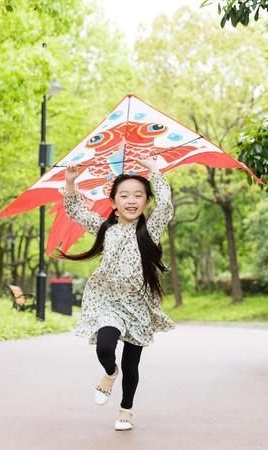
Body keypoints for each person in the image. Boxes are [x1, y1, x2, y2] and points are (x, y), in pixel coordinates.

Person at [58, 156, 175, 431]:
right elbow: (76, 211)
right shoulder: (105, 229)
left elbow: (166, 206)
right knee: (105, 347)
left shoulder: (150, 230)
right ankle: (110, 373)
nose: (131, 200)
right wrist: (71, 181)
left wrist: (155, 171)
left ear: (146, 201)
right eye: (124, 195)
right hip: (108, 300)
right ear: (114, 202)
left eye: (138, 195)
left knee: (132, 364)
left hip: (138, 305)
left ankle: (126, 409)